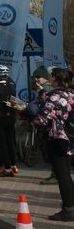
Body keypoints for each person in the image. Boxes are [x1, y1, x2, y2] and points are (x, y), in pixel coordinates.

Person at [31, 78, 74, 220]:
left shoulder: (55, 97)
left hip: (57, 138)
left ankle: (68, 210)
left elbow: (42, 119)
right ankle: (70, 207)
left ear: (54, 80)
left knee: (62, 176)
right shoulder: (70, 95)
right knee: (66, 174)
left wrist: (30, 117)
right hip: (69, 138)